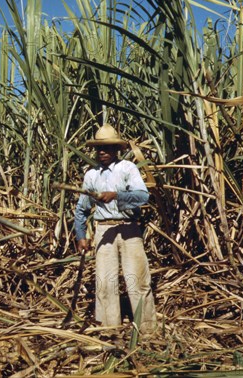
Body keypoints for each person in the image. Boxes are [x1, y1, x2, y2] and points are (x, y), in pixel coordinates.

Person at [73, 124, 157, 333]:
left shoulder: (127, 168)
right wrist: (81, 235)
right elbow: (82, 209)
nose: (102, 152)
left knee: (137, 281)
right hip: (104, 230)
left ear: (116, 149)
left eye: (108, 148)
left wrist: (117, 195)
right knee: (105, 283)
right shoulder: (91, 175)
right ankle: (109, 329)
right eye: (99, 148)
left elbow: (143, 196)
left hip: (129, 230)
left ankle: (147, 330)